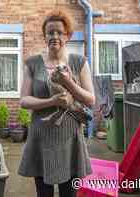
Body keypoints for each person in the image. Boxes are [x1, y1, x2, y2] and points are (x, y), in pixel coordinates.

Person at [18, 9, 95, 197]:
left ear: (67, 35)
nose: (54, 36)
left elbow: (91, 100)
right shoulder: (32, 64)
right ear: (44, 36)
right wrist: (51, 101)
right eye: (50, 32)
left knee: (69, 193)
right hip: (41, 138)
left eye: (59, 32)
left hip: (69, 139)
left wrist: (67, 82)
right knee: (44, 193)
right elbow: (24, 100)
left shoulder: (79, 62)